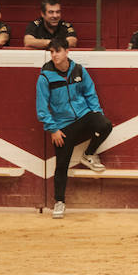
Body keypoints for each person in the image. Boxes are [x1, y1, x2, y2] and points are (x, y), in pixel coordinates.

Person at [35, 38, 112, 220]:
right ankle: (59, 202)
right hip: (62, 126)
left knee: (105, 125)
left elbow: (90, 92)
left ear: (67, 52)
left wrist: (96, 114)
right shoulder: (45, 76)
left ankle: (89, 154)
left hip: (84, 115)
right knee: (61, 165)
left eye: (58, 51)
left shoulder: (78, 70)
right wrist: (53, 129)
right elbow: (41, 107)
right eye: (51, 52)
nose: (54, 55)